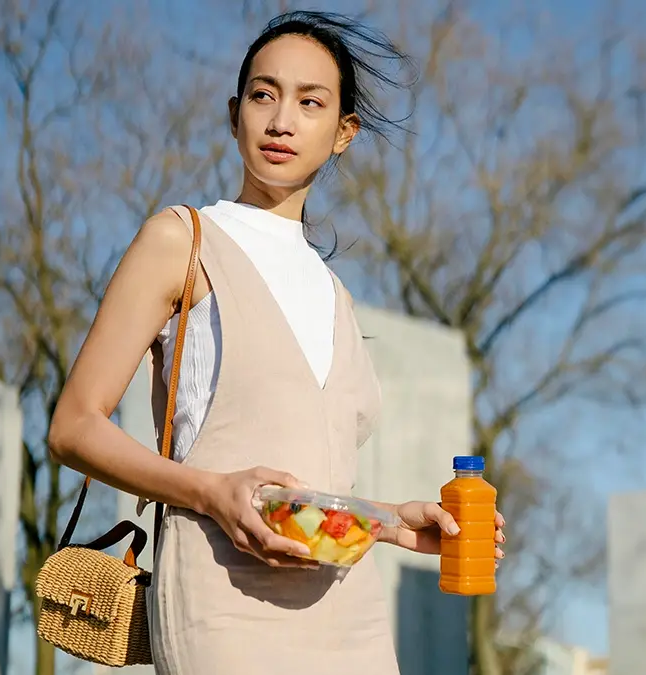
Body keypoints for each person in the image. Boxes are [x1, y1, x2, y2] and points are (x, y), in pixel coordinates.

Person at [48, 10, 505, 674]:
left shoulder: (336, 297)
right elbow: (73, 427)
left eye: (310, 102)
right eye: (263, 95)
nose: (281, 119)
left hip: (349, 613)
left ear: (343, 132)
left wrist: (396, 521)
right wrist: (209, 492)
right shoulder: (183, 239)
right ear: (235, 113)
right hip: (222, 598)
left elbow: (307, 488)